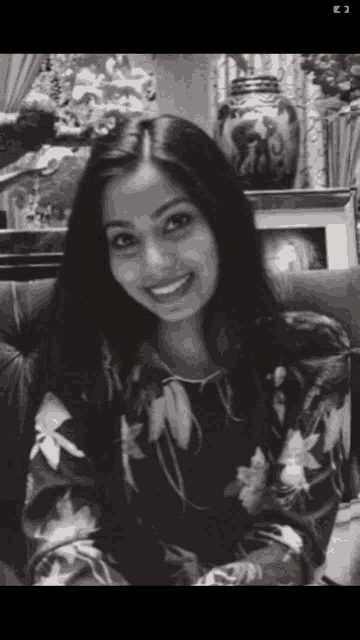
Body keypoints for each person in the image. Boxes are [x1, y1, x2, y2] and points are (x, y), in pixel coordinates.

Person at [0, 114, 352, 586]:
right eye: (124, 239)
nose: (156, 264)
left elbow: (292, 538)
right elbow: (65, 536)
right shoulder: (81, 362)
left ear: (221, 217)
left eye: (177, 222)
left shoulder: (311, 356)